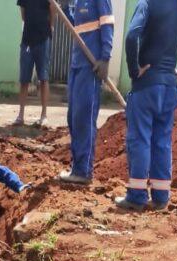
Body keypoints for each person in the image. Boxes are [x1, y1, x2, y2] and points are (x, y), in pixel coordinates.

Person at [115, 0, 177, 212]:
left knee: (140, 140)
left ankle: (136, 197)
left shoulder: (147, 3)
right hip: (169, 87)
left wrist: (134, 70)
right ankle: (161, 197)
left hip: (146, 86)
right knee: (162, 141)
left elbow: (131, 35)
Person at [59, 0, 115, 185]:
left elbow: (107, 24)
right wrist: (65, 8)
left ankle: (84, 171)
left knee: (84, 118)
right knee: (73, 118)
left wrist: (105, 58)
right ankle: (77, 167)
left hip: (91, 66)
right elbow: (77, 27)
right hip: (76, 64)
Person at [15, 0, 54, 127]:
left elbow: (53, 9)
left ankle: (44, 115)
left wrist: (50, 28)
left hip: (43, 38)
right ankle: (20, 116)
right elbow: (23, 15)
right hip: (27, 40)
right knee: (24, 79)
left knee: (43, 78)